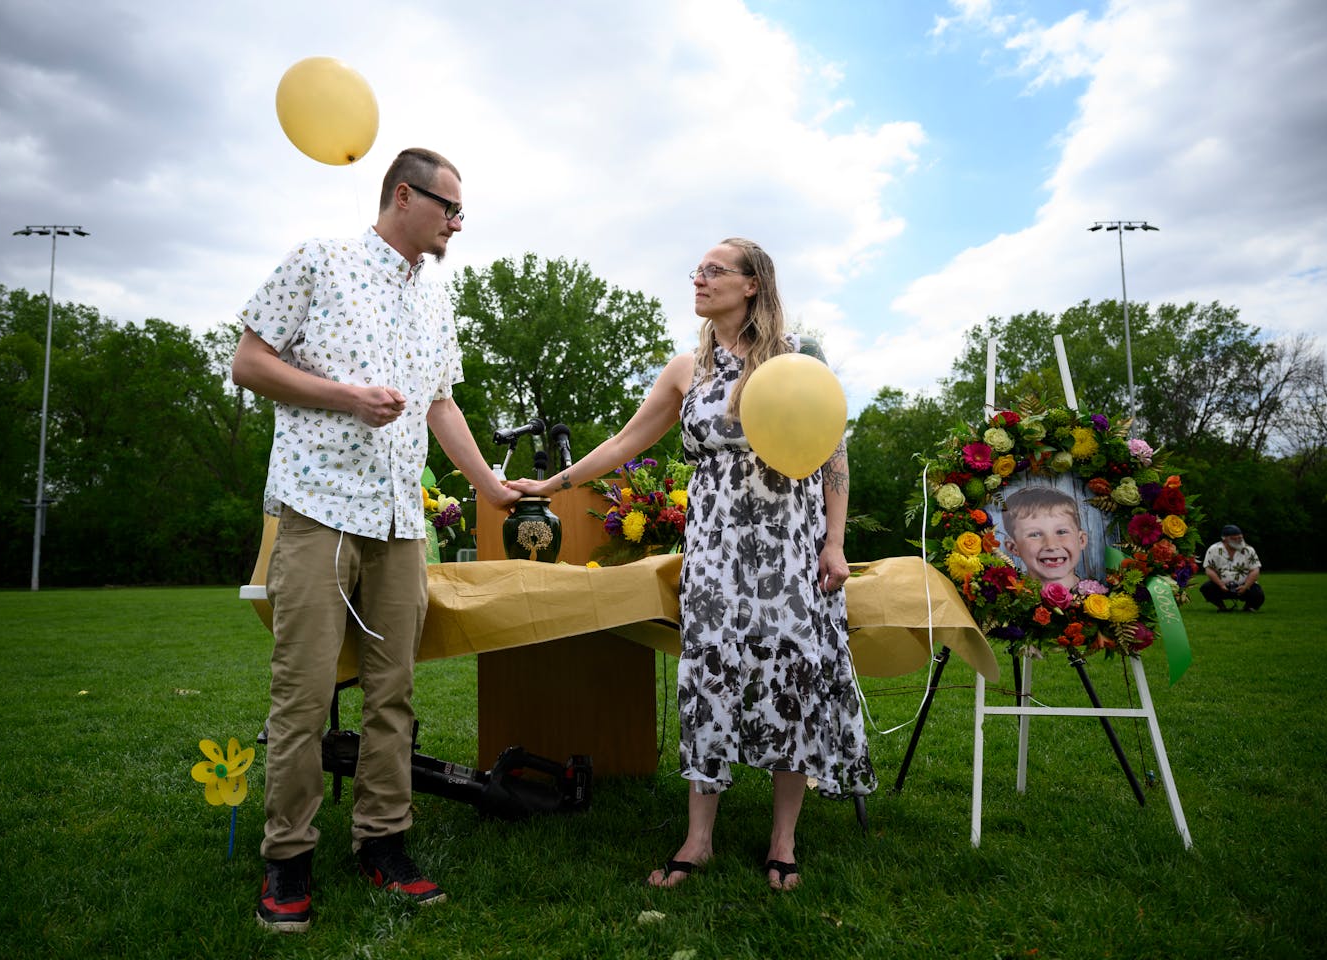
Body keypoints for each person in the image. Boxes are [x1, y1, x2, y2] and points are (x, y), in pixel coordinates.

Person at [507, 238, 876, 892]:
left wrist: (835, 542)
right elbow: (626, 440)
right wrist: (553, 485)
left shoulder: (797, 362)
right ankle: (698, 839)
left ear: (752, 284)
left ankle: (783, 840)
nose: (697, 279)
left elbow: (833, 457)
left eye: (713, 271)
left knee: (788, 677)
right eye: (697, 271)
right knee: (709, 677)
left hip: (788, 546)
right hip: (715, 550)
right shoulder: (688, 371)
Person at [231, 147, 519, 932]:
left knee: (395, 693)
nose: (458, 223)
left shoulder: (435, 300)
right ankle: (286, 859)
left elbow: (442, 405)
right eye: (450, 208)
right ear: (403, 195)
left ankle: (383, 845)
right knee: (303, 694)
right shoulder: (319, 262)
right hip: (319, 509)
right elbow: (249, 363)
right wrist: (344, 397)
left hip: (400, 524)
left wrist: (490, 487)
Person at [1000, 486, 1089, 590]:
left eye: (1061, 532)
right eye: (1035, 535)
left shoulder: (1107, 598)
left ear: (1081, 540)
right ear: (1013, 547)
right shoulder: (1005, 603)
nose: (1051, 545)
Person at [1200, 524, 1264, 611]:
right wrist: (1221, 584)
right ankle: (1221, 607)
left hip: (1244, 585)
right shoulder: (1214, 549)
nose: (1238, 541)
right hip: (1221, 585)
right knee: (1206, 588)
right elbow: (1209, 569)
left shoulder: (1248, 550)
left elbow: (1255, 570)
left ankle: (1248, 608)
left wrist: (1246, 586)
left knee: (1258, 594)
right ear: (1224, 538)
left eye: (1240, 538)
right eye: (1234, 539)